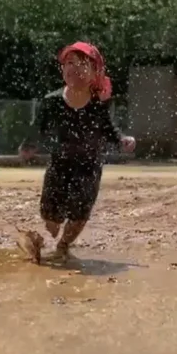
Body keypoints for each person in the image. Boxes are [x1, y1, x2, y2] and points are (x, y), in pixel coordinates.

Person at [17, 42, 135, 263]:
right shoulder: (52, 101)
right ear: (62, 69)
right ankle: (50, 234)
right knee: (50, 216)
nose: (74, 69)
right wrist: (28, 146)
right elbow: (38, 127)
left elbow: (109, 129)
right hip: (59, 162)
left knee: (80, 213)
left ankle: (63, 246)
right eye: (69, 63)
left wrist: (122, 140)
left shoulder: (98, 105)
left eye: (82, 64)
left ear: (94, 72)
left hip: (89, 165)